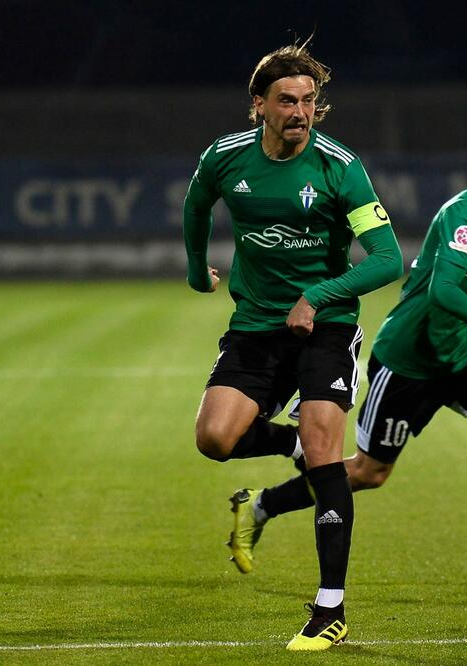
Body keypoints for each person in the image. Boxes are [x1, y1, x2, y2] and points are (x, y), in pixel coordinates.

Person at [228, 116, 467, 589]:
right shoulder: (466, 215)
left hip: (458, 354)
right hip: (407, 359)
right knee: (369, 472)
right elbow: (443, 292)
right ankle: (260, 506)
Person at [182, 41, 402, 651]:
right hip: (256, 324)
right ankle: (288, 442)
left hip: (326, 326)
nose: (301, 111)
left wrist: (319, 294)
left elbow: (388, 259)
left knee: (327, 442)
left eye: (309, 100)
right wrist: (198, 269)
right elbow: (196, 205)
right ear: (259, 105)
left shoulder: (339, 168)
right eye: (287, 100)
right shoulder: (226, 159)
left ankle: (330, 608)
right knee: (214, 440)